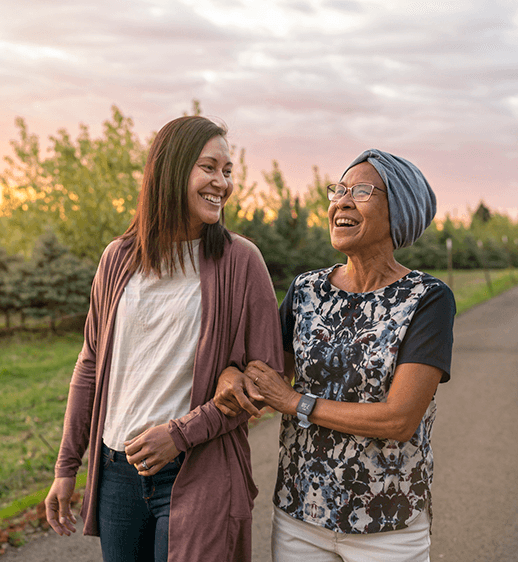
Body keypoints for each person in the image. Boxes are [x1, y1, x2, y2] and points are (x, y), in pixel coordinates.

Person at [44, 115, 283, 562]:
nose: (222, 182)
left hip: (197, 468)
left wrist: (181, 434)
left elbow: (263, 380)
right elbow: (90, 364)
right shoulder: (118, 259)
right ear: (171, 171)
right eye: (208, 167)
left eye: (227, 171)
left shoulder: (241, 261)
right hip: (117, 472)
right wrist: (66, 467)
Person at [214, 149, 455, 562]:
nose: (341, 200)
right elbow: (265, 376)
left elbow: (399, 419)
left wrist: (295, 402)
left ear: (398, 211)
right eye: (338, 190)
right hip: (300, 517)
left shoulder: (427, 300)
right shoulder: (306, 290)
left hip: (388, 525)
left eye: (361, 191)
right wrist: (231, 376)